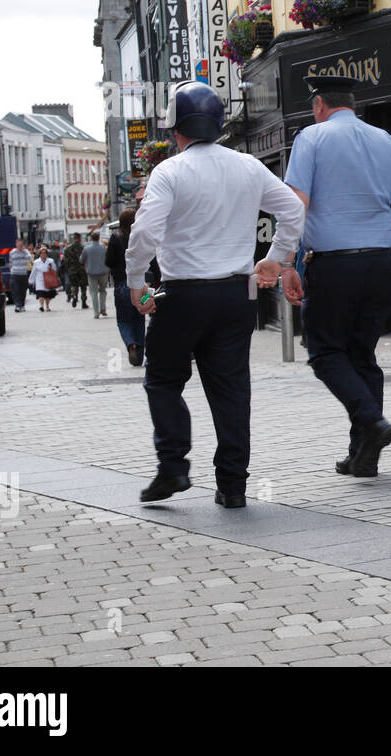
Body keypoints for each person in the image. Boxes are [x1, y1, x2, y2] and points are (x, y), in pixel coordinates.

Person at [127, 82, 305, 510]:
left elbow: (147, 230)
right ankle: (233, 485)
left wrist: (136, 281)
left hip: (182, 295)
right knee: (231, 390)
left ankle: (173, 465)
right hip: (235, 296)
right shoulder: (247, 166)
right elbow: (293, 209)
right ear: (219, 122)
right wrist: (276, 258)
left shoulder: (169, 172)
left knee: (164, 381)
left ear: (174, 127)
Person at [279, 74, 391, 479]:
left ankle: (371, 420)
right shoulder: (385, 139)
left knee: (325, 353)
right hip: (378, 262)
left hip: (333, 264)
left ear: (319, 104)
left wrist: (286, 262)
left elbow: (296, 203)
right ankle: (363, 456)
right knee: (362, 356)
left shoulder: (311, 138)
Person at [106, 209, 147, 367]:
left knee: (124, 319)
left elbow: (109, 261)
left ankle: (131, 344)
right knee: (140, 318)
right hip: (142, 286)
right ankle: (140, 355)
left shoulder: (116, 238)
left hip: (122, 286)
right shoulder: (140, 237)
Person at [81, 233, 110, 318]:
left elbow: (81, 260)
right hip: (103, 272)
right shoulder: (104, 248)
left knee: (93, 293)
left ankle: (96, 313)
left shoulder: (86, 249)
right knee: (103, 291)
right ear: (98, 238)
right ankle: (103, 309)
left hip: (91, 273)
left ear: (91, 238)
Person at [62, 234, 87, 309]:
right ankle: (83, 302)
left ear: (73, 239)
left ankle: (75, 296)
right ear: (79, 238)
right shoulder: (83, 248)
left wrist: (68, 269)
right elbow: (85, 259)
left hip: (72, 270)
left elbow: (65, 261)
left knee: (74, 285)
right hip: (81, 269)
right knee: (83, 286)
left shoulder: (67, 249)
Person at [29, 246, 58, 311]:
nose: (43, 254)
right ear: (40, 254)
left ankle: (47, 306)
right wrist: (31, 280)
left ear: (47, 254)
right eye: (42, 253)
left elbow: (55, 269)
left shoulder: (51, 261)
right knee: (41, 293)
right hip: (40, 280)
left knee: (48, 295)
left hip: (48, 280)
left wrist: (51, 269)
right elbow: (33, 271)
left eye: (44, 253)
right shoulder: (36, 262)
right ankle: (41, 306)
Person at [7, 238, 32, 312]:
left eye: (21, 244)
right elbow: (10, 262)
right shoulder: (12, 252)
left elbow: (30, 259)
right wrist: (11, 271)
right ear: (16, 244)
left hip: (23, 273)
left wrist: (25, 251)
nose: (20, 245)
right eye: (18, 244)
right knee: (15, 290)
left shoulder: (26, 252)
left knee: (23, 290)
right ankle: (18, 305)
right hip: (15, 273)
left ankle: (22, 305)